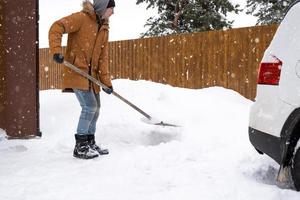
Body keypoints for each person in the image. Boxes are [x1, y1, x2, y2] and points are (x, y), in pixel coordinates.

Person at [49, 0, 115, 159]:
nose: (112, 13)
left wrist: (106, 83)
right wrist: (56, 50)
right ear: (102, 8)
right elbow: (56, 27)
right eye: (111, 9)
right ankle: (80, 146)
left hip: (92, 77)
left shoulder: (104, 28)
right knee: (90, 106)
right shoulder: (81, 18)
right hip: (77, 71)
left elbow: (102, 59)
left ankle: (90, 142)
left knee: (96, 108)